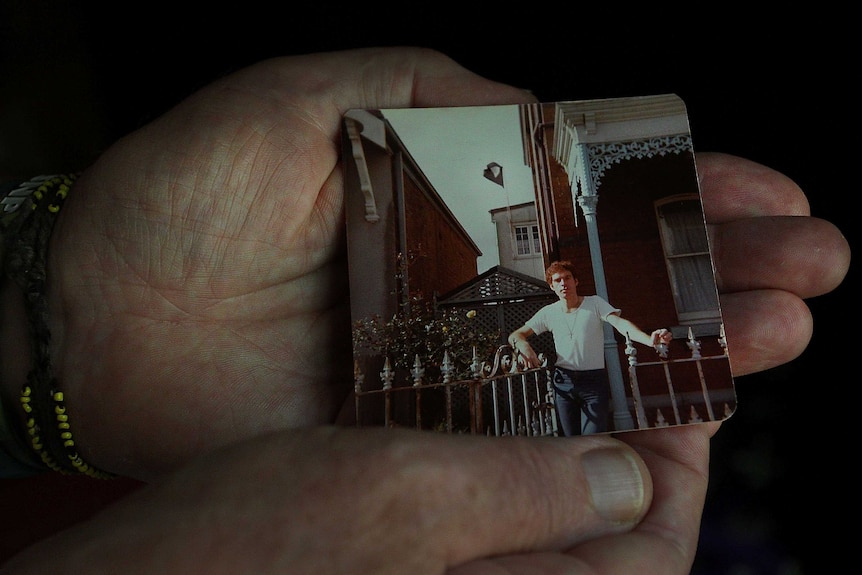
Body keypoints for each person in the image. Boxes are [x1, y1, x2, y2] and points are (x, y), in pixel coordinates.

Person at [0, 47, 851, 574]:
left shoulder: (577, 301)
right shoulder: (535, 306)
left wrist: (67, 312)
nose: (555, 281)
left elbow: (610, 326)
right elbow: (530, 331)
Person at [509, 260, 673, 436]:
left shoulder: (594, 303)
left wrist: (649, 340)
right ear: (552, 286)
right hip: (563, 382)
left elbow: (619, 323)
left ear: (576, 281)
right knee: (570, 442)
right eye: (557, 280)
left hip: (593, 383)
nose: (563, 283)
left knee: (592, 438)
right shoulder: (549, 312)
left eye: (567, 278)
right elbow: (515, 335)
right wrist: (524, 346)